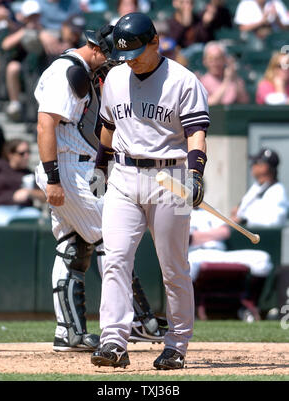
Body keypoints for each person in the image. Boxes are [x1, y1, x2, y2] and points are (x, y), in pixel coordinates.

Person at [34, 23, 167, 352]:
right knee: (113, 238)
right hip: (66, 167)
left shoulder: (80, 70)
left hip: (76, 165)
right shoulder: (66, 70)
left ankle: (70, 333)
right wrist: (52, 178)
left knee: (73, 248)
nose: (114, 62)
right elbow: (44, 123)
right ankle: (137, 320)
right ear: (96, 48)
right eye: (110, 55)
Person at [91, 12, 210, 370]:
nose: (130, 59)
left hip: (169, 177)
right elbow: (108, 126)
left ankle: (176, 344)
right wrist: (100, 166)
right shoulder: (115, 77)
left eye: (136, 52)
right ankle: (113, 341)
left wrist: (196, 173)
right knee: (114, 259)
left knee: (173, 267)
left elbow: (196, 133)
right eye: (123, 53)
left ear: (156, 42)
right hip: (124, 177)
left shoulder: (183, 81)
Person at [189, 207, 273, 321]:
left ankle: (248, 305)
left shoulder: (209, 209)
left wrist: (198, 236)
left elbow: (225, 232)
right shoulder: (176, 211)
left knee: (262, 259)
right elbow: (187, 238)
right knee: (187, 265)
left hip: (220, 253)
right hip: (196, 254)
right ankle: (190, 310)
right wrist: (212, 234)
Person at [1, 0, 44, 121]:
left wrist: (40, 33)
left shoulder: (43, 30)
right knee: (13, 67)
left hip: (40, 68)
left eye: (35, 16)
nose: (33, 19)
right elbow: (5, 44)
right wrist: (25, 31)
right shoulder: (17, 29)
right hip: (23, 67)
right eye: (30, 17)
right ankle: (15, 104)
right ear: (24, 17)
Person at [0, 138, 45, 225]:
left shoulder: (29, 173)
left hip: (25, 210)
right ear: (10, 154)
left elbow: (44, 197)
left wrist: (29, 192)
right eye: (22, 153)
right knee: (5, 222)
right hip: (0, 209)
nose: (26, 156)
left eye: (28, 152)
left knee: (38, 218)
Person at [231, 148, 289, 228]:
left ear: (265, 167)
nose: (252, 166)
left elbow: (275, 221)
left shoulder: (278, 191)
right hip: (246, 235)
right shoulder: (257, 186)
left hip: (262, 238)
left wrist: (244, 220)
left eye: (256, 163)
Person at [200, 41, 249, 105]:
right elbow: (210, 104)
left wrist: (234, 78)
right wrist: (226, 81)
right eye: (211, 59)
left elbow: (244, 102)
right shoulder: (202, 82)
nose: (215, 63)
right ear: (205, 61)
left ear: (224, 60)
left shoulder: (236, 79)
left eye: (218, 59)